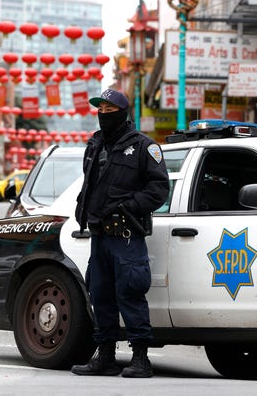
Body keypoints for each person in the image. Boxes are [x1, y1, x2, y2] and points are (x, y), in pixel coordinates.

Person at [71, 89, 169, 378]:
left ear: (123, 113)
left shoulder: (143, 147)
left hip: (126, 235)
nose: (103, 114)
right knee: (100, 295)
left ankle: (140, 359)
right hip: (99, 235)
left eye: (109, 110)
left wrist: (127, 207)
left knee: (130, 293)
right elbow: (90, 184)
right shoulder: (95, 145)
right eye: (99, 109)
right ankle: (106, 357)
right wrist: (82, 210)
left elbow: (159, 189)